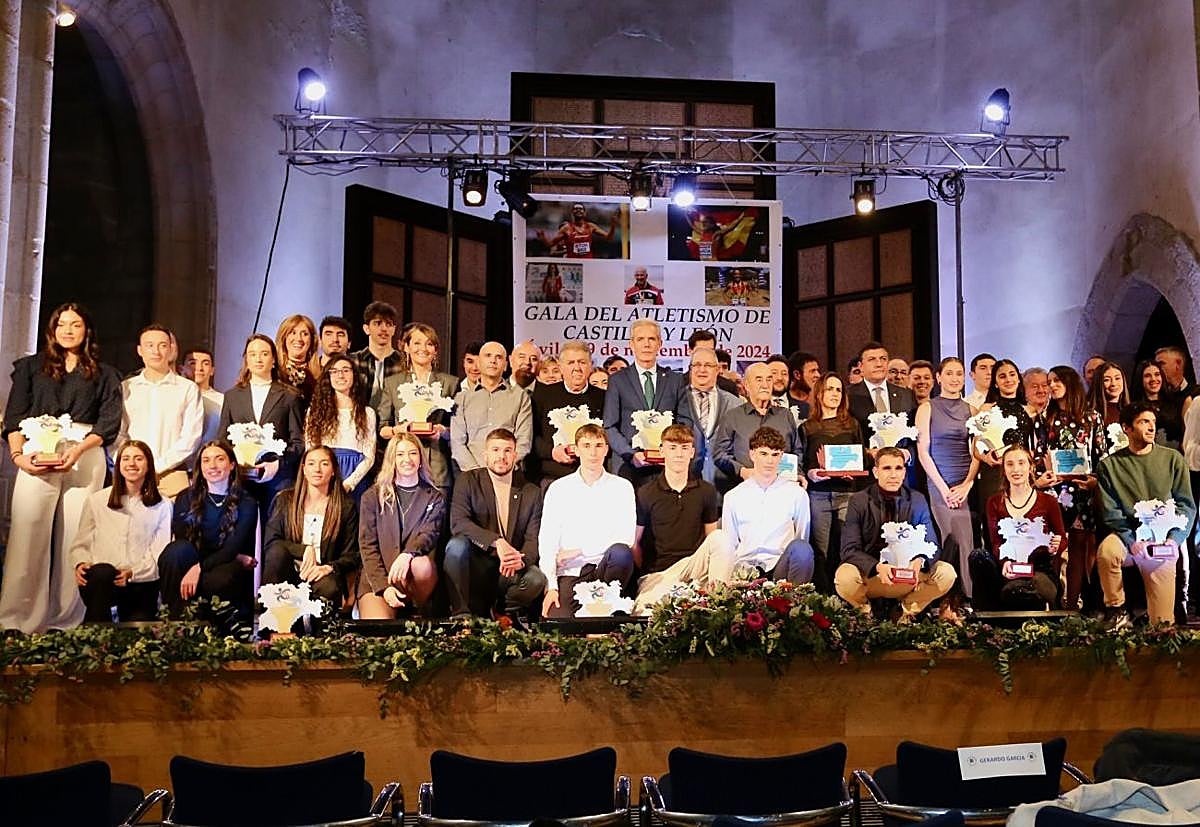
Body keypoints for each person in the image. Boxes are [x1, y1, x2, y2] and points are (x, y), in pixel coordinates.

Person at [0, 302, 123, 633]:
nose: (68, 330)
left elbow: (108, 422)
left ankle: (65, 622)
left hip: (85, 451)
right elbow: (14, 417)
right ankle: (17, 621)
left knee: (76, 537)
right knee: (27, 532)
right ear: (52, 330)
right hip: (36, 450)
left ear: (87, 330)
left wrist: (79, 449)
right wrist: (18, 456)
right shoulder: (30, 367)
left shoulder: (105, 373)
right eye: (62, 324)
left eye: (76, 324)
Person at [1097, 403, 1196, 627]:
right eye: (1144, 422)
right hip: (1129, 537)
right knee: (1107, 552)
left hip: (1162, 541)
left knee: (1162, 623)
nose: (1151, 427)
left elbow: (1186, 506)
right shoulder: (1109, 466)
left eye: (1153, 422)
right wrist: (1131, 541)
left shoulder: (1173, 459)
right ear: (1127, 428)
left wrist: (1174, 540)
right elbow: (1112, 512)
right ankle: (1116, 609)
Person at [835, 446, 956, 619]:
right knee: (844, 577)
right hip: (874, 575)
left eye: (898, 468)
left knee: (946, 573)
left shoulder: (917, 499)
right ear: (876, 472)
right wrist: (877, 567)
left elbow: (932, 544)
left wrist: (920, 560)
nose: (893, 475)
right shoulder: (859, 500)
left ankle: (904, 612)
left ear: (904, 472)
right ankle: (866, 614)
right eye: (887, 468)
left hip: (908, 575)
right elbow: (849, 549)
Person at [445, 428, 546, 618]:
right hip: (476, 564)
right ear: (485, 455)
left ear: (515, 455)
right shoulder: (468, 480)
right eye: (496, 450)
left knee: (536, 579)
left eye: (507, 450)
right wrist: (496, 541)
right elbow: (459, 523)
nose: (501, 456)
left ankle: (502, 613)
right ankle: (461, 615)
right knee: (456, 546)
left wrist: (520, 560)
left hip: (509, 569)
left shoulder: (531, 491)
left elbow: (533, 539)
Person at [539, 424, 636, 618]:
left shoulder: (622, 487)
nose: (593, 452)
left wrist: (580, 550)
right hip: (571, 572)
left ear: (606, 449)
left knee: (621, 553)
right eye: (586, 445)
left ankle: (610, 605)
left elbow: (625, 538)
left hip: (606, 569)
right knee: (558, 622)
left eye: (599, 445)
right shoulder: (559, 489)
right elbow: (547, 541)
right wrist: (551, 586)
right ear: (576, 449)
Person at [70, 440, 172, 623]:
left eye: (138, 458)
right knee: (102, 573)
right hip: (103, 581)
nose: (131, 463)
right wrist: (80, 563)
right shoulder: (97, 500)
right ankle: (97, 631)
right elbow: (80, 544)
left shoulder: (163, 505)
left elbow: (159, 553)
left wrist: (133, 573)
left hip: (141, 583)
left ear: (149, 465)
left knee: (137, 633)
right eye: (126, 458)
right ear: (118, 465)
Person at [158, 440, 259, 619]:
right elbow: (183, 541)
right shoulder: (185, 497)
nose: (212, 465)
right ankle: (175, 624)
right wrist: (195, 566)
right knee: (175, 552)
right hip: (194, 558)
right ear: (200, 466)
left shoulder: (247, 502)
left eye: (219, 459)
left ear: (232, 465)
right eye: (206, 460)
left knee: (219, 580)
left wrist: (199, 568)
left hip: (224, 562)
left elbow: (231, 549)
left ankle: (212, 632)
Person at [217, 334, 306, 533]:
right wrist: (236, 463)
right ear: (246, 360)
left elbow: (298, 443)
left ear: (273, 359)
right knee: (241, 532)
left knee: (274, 533)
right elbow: (223, 439)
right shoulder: (232, 396)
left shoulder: (290, 396)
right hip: (241, 478)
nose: (258, 359)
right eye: (252, 354)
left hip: (278, 478)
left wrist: (278, 464)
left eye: (264, 354)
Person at [632, 424, 724, 613]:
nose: (679, 454)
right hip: (660, 573)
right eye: (672, 448)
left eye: (684, 448)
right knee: (645, 614)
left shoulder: (706, 491)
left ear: (692, 452)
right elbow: (636, 544)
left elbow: (711, 538)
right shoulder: (646, 493)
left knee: (721, 538)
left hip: (693, 567)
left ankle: (719, 602)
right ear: (662, 451)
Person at [712, 426, 814, 586]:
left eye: (775, 454)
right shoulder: (733, 496)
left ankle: (794, 598)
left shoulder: (797, 494)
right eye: (764, 454)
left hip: (780, 567)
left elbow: (802, 537)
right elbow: (729, 544)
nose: (770, 461)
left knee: (802, 549)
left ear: (781, 456)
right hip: (744, 569)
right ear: (752, 454)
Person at [968, 445, 1065, 611]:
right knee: (978, 557)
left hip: (1039, 569)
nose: (1016, 469)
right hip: (1008, 568)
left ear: (1030, 467)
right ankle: (988, 618)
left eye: (1021, 463)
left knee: (1026, 590)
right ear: (1004, 469)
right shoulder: (994, 502)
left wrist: (1055, 547)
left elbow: (1062, 538)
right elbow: (995, 542)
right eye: (1010, 464)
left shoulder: (1048, 501)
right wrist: (1004, 562)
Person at [262, 445, 360, 611]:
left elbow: (351, 555)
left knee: (329, 587)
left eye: (324, 464)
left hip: (322, 573)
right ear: (304, 469)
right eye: (312, 463)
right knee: (276, 553)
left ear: (333, 470)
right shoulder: (285, 500)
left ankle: (318, 628)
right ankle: (274, 622)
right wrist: (304, 550)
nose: (317, 469)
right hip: (289, 571)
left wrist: (329, 568)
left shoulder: (345, 507)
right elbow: (272, 542)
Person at [357, 433, 445, 617]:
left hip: (412, 578)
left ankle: (417, 611)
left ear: (420, 458)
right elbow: (367, 546)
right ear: (392, 459)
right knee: (378, 630)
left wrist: (408, 554)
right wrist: (384, 587)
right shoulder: (371, 497)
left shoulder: (434, 497)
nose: (407, 459)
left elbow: (429, 534)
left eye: (413, 453)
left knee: (422, 564)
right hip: (379, 579)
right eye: (400, 454)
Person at [915, 356, 980, 596]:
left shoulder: (971, 410)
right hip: (939, 483)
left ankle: (967, 599)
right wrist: (943, 489)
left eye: (959, 374)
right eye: (949, 373)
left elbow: (978, 452)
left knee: (967, 541)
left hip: (965, 484)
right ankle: (946, 598)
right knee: (949, 538)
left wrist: (967, 484)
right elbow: (923, 452)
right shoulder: (927, 408)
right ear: (939, 377)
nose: (955, 378)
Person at [1045, 365, 1106, 611]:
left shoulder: (1092, 417)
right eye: (1050, 382)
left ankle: (1074, 605)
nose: (1052, 386)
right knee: (1054, 546)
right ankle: (1053, 604)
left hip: (1083, 491)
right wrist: (1046, 470)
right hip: (1055, 490)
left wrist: (1095, 481)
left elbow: (1101, 456)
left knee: (1080, 548)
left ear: (1070, 383)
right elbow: (1039, 453)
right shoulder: (1047, 418)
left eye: (1057, 381)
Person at [603, 319, 693, 482]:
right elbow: (609, 426)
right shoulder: (617, 380)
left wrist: (672, 450)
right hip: (628, 466)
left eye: (651, 339)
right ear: (631, 344)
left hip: (665, 468)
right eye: (640, 339)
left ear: (660, 344)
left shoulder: (675, 380)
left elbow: (685, 422)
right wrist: (630, 454)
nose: (646, 344)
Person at [119, 324, 204, 496]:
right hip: (131, 474)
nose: (156, 351)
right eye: (149, 345)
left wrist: (157, 466)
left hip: (172, 474)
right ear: (140, 350)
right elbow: (118, 433)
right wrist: (130, 463)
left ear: (171, 350)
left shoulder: (187, 388)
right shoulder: (126, 388)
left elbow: (191, 437)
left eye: (162, 345)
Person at [801, 372, 865, 592]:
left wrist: (853, 471)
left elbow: (861, 458)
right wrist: (812, 474)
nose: (835, 393)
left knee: (845, 548)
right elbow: (803, 463)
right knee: (821, 550)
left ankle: (846, 595)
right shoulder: (807, 427)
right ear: (819, 393)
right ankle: (823, 596)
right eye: (830, 389)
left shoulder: (853, 425)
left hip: (847, 494)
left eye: (838, 389)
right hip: (818, 495)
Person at [378, 322, 458, 491]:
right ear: (406, 347)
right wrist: (398, 430)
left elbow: (459, 429)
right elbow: (382, 428)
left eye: (429, 344)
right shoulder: (392, 383)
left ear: (435, 350)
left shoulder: (450, 383)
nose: (423, 348)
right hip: (402, 466)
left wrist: (442, 431)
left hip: (437, 467)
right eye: (417, 343)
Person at [714, 362, 800, 494]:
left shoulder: (785, 415)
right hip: (744, 490)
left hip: (781, 491)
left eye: (769, 379)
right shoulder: (732, 416)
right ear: (747, 385)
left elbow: (797, 450)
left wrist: (799, 473)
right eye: (759, 380)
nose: (765, 385)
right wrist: (742, 471)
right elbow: (720, 454)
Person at [529, 340, 605, 483]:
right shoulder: (542, 395)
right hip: (552, 476)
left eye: (582, 362)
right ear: (561, 367)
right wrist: (552, 452)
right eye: (571, 363)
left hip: (593, 476)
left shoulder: (604, 397)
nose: (577, 368)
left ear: (590, 366)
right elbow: (532, 437)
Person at [451, 341, 533, 472]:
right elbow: (457, 443)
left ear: (505, 365)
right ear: (479, 363)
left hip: (508, 473)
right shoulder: (462, 398)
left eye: (498, 357)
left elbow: (523, 441)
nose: (493, 361)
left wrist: (503, 469)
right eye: (488, 355)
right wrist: (477, 472)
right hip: (471, 474)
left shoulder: (520, 397)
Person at [305, 355, 377, 499]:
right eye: (335, 371)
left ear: (354, 375)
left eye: (345, 370)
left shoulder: (367, 413)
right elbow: (310, 450)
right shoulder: (315, 412)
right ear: (328, 377)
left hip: (356, 478)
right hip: (324, 474)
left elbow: (369, 456)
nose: (340, 375)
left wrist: (350, 483)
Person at [974, 358, 1033, 509]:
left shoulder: (1030, 411)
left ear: (1018, 379)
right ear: (995, 383)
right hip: (994, 474)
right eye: (1002, 376)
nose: (1008, 379)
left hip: (1022, 475)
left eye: (1012, 374)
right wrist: (986, 458)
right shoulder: (986, 410)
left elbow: (1034, 447)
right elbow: (976, 449)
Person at [687, 347, 741, 488]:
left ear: (717, 370)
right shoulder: (676, 399)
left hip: (724, 484)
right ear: (690, 369)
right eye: (697, 365)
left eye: (708, 365)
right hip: (686, 484)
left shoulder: (735, 404)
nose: (702, 370)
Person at [847, 342, 916, 450]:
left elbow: (915, 434)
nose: (879, 364)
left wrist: (907, 454)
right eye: (872, 359)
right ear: (861, 366)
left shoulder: (906, 395)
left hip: (900, 458)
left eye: (883, 359)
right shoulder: (848, 395)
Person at [349, 301, 404, 412]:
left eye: (388, 324)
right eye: (378, 323)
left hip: (394, 421)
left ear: (394, 330)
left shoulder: (404, 363)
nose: (384, 329)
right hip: (358, 419)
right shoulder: (352, 361)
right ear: (366, 329)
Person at [535, 202, 618, 258]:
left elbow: (609, 238)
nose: (578, 210)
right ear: (572, 213)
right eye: (576, 208)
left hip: (588, 263)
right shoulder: (566, 228)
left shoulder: (590, 226)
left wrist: (613, 225)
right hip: (572, 263)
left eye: (581, 209)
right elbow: (550, 244)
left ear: (585, 213)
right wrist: (543, 238)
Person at [1135, 359, 1184, 450]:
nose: (1153, 379)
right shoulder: (1135, 408)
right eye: (1147, 376)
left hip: (1177, 455)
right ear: (1140, 379)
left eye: (1157, 374)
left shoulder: (1176, 402)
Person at [182, 347, 224, 449]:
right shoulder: (177, 397)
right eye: (193, 363)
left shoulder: (222, 400)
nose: (199, 368)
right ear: (181, 368)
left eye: (205, 363)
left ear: (212, 370)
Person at [275, 314, 321, 405]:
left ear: (312, 340)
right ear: (284, 337)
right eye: (293, 333)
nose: (299, 338)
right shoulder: (274, 372)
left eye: (305, 334)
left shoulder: (319, 377)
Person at [686, 329, 739, 395]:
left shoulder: (728, 387)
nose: (705, 354)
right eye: (700, 350)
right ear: (690, 351)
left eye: (710, 350)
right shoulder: (677, 385)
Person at [1086, 361, 1130, 427]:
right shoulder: (1091, 413)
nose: (1113, 384)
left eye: (1117, 378)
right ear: (1098, 383)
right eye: (1107, 380)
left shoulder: (1131, 411)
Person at [1023, 367, 1052, 462]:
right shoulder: (1017, 416)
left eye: (1044, 385)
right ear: (1024, 390)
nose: (1041, 390)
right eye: (1035, 386)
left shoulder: (1057, 415)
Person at [785, 350, 821, 417]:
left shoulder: (821, 398)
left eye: (817, 371)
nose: (818, 375)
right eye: (812, 371)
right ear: (797, 375)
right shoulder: (783, 400)